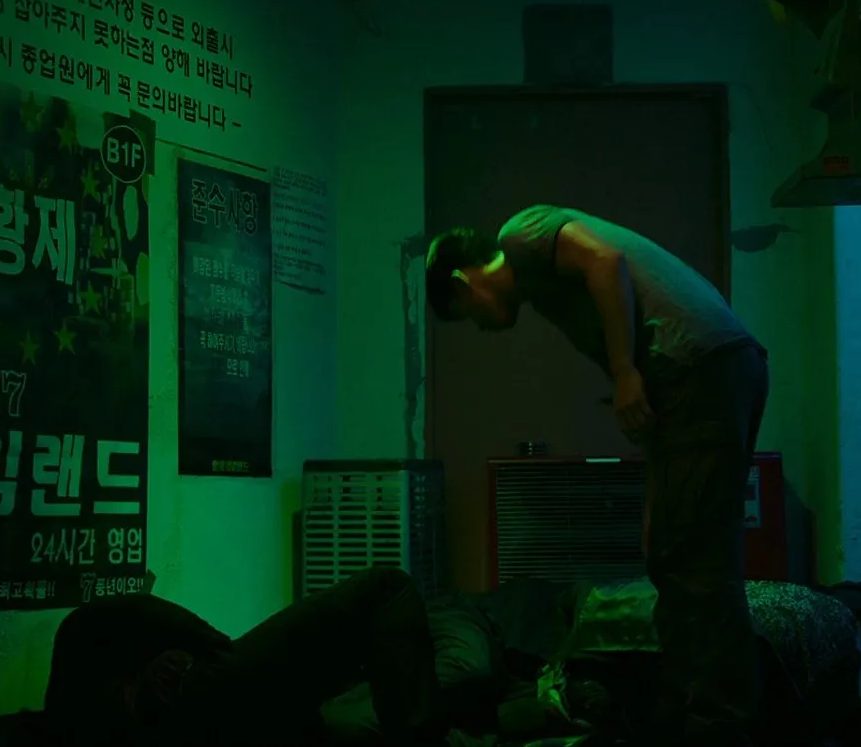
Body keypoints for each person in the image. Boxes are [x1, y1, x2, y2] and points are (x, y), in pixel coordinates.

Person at [425, 205, 768, 746]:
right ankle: (686, 712)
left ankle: (717, 728)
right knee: (672, 554)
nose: (483, 327)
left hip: (700, 368)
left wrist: (625, 370)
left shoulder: (521, 233)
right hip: (704, 375)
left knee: (697, 565)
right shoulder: (544, 292)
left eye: (468, 313)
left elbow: (605, 261)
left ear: (465, 282)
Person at [38, 566, 443, 746]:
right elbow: (139, 610)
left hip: (203, 699)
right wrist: (219, 647)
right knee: (387, 588)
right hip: (195, 693)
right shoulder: (79, 646)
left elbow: (136, 611)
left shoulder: (77, 694)